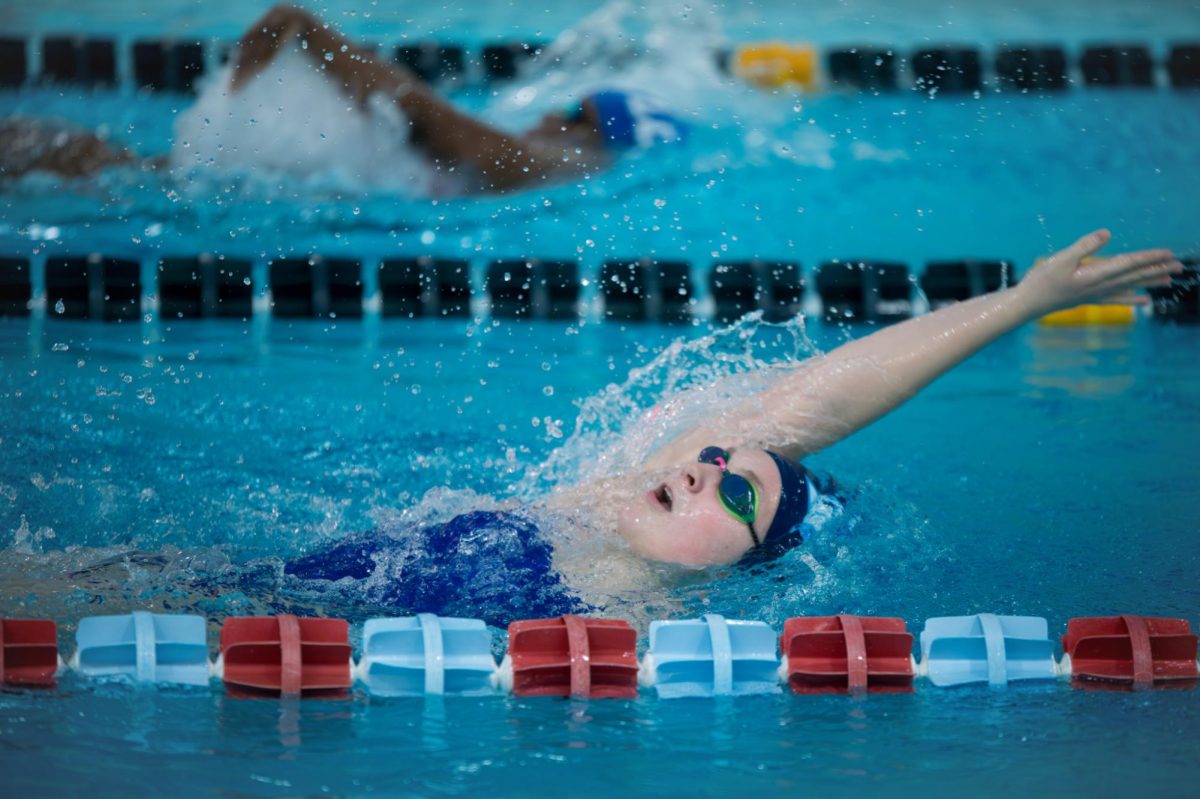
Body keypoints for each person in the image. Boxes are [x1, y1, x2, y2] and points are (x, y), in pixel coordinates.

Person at [282, 230, 1182, 623]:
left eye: (737, 490)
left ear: (745, 569)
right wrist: (1020, 301)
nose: (706, 468)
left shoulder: (641, 640)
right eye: (715, 460)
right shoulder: (592, 503)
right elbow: (827, 393)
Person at [0, 4, 689, 192]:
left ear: (593, 125)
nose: (550, 111)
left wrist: (316, 35)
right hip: (332, 187)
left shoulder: (544, 159)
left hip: (300, 190)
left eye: (574, 109)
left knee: (121, 168)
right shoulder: (562, 167)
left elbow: (424, 118)